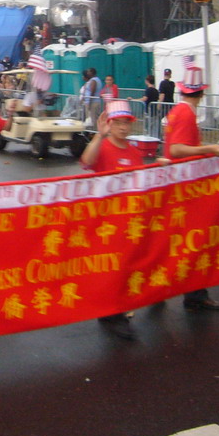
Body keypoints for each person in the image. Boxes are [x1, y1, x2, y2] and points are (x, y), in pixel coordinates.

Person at [162, 64, 219, 311]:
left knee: (179, 242)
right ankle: (194, 294)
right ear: (201, 94)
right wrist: (208, 149)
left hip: (179, 184)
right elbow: (177, 149)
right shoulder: (187, 114)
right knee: (193, 242)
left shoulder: (177, 111)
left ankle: (176, 291)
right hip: (185, 188)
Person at [80, 99, 144, 339]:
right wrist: (98, 136)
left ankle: (117, 308)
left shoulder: (134, 152)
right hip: (106, 222)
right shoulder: (103, 147)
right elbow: (86, 162)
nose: (123, 128)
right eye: (118, 123)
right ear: (109, 124)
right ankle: (113, 313)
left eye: (126, 123)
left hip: (128, 223)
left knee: (126, 266)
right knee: (110, 268)